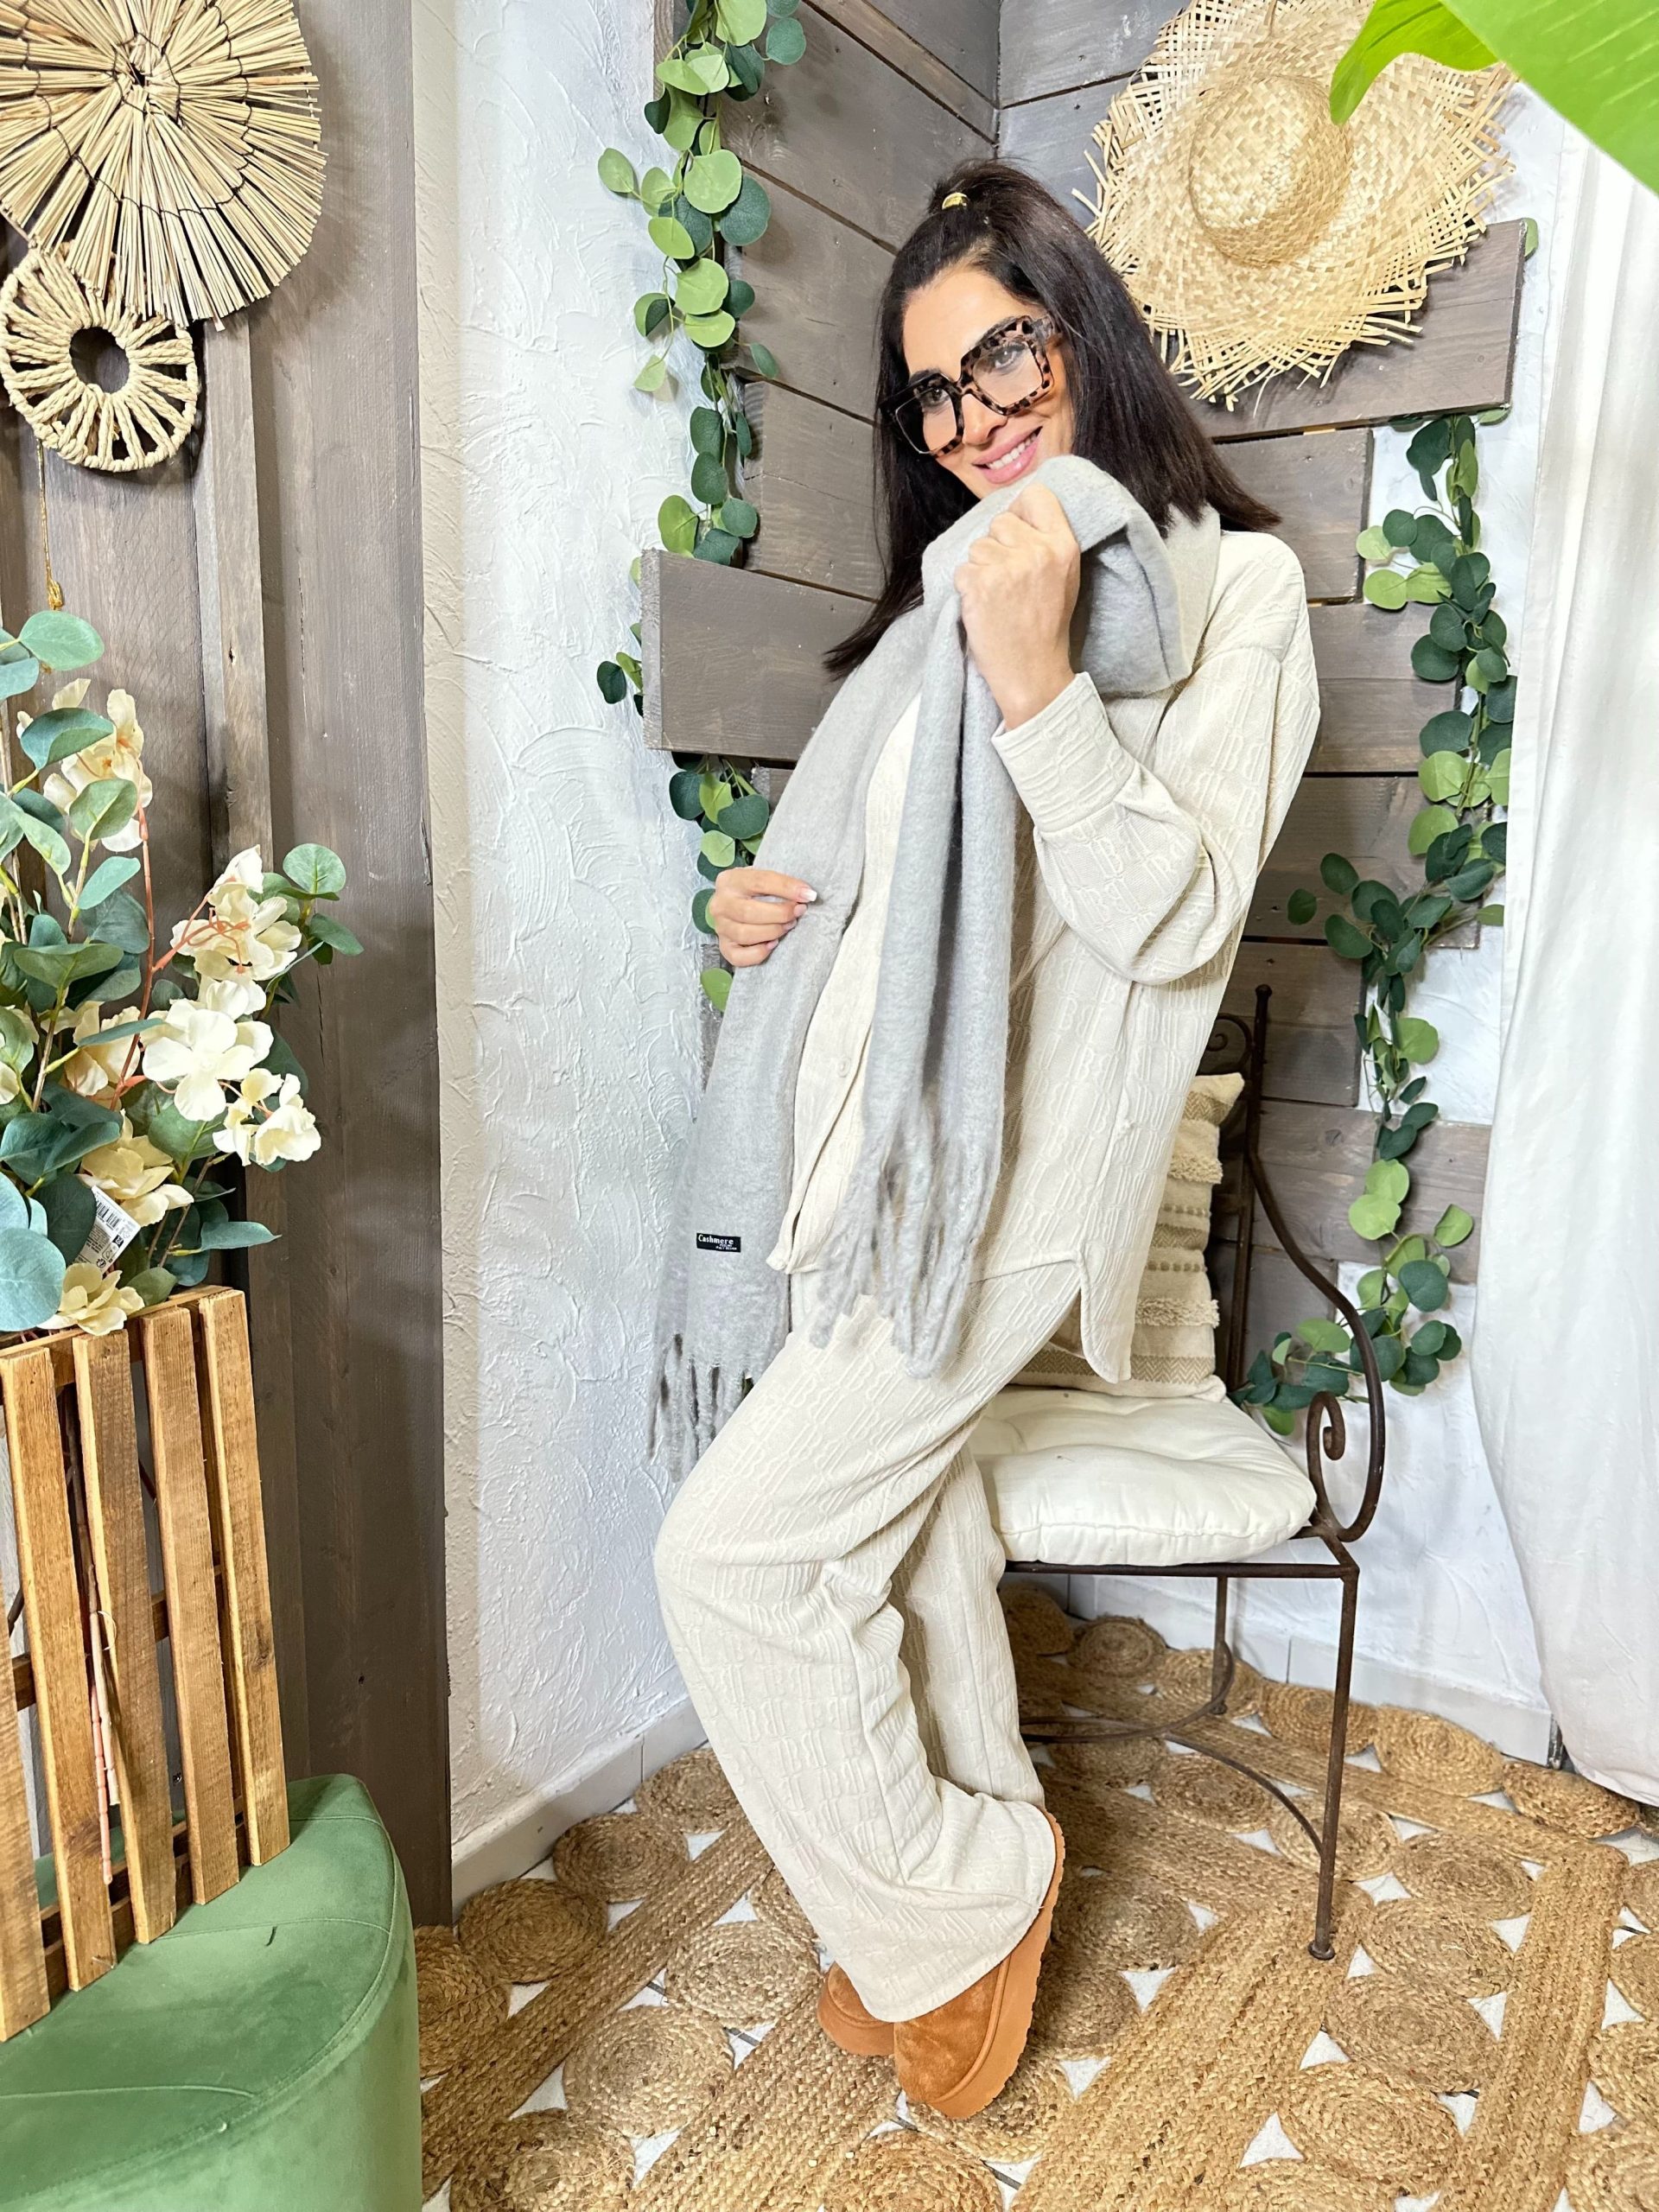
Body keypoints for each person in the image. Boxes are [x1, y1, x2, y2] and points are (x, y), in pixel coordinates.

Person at [652, 158, 1319, 2119]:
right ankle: (960, 1865)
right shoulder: (940, 606)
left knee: (731, 1558)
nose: (972, 415)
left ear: (1081, 329)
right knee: (909, 1524)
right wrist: (767, 919)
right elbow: (886, 906)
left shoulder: (1231, 591)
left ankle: (956, 1899)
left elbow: (1173, 920)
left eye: (1004, 353)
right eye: (932, 390)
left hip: (1012, 1192)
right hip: (877, 1165)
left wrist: (1041, 691)